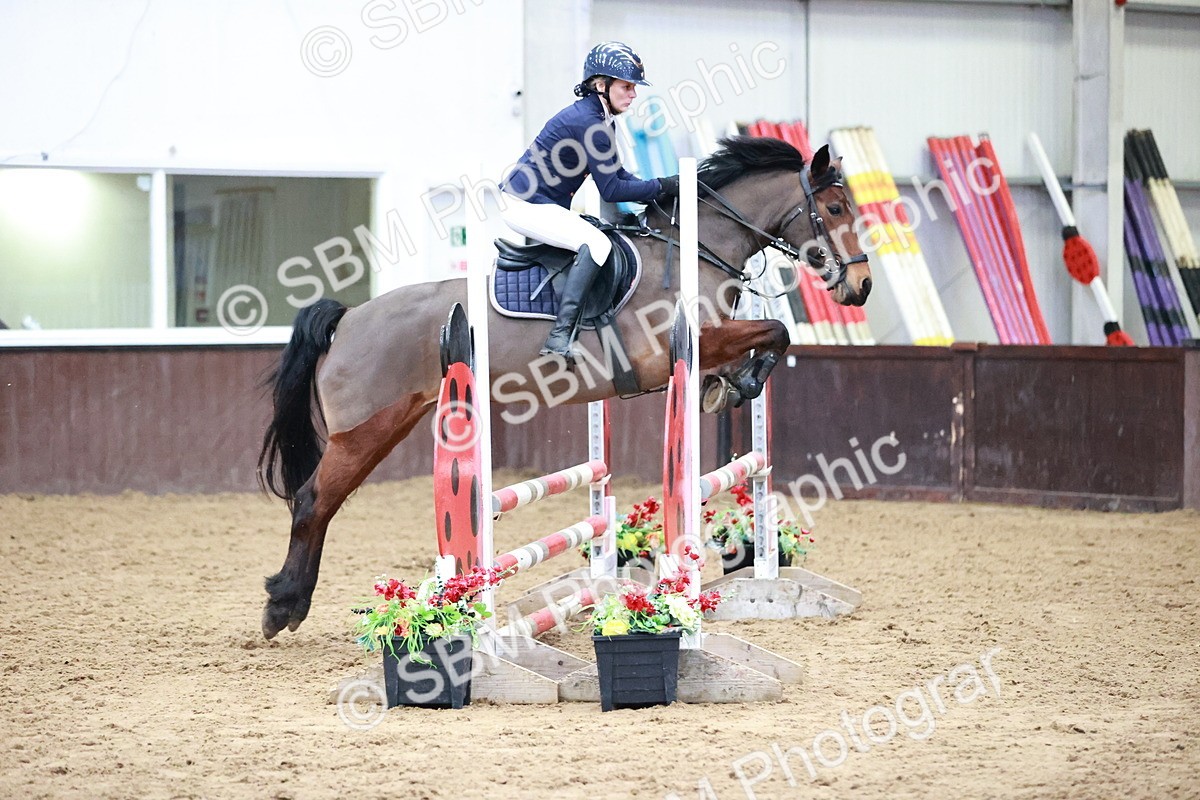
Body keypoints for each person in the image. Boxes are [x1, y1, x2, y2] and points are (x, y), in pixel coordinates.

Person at [501, 41, 680, 358]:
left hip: (539, 202)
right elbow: (611, 191)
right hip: (526, 204)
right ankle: (559, 337)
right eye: (627, 86)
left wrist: (661, 187)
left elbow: (620, 175)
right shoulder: (591, 123)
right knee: (598, 245)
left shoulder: (599, 117)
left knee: (598, 236)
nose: (634, 94)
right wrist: (662, 185)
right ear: (601, 84)